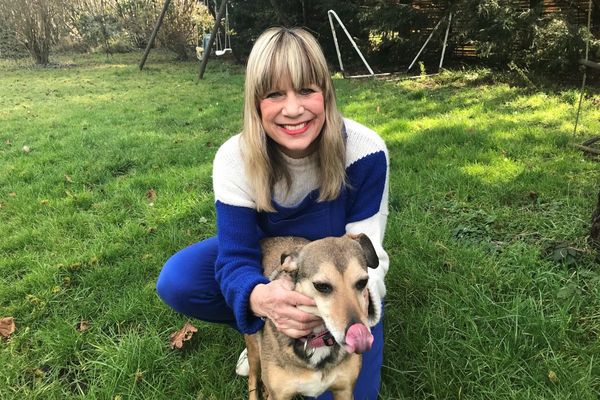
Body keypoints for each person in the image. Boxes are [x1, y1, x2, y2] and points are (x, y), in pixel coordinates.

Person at [156, 26, 389, 399]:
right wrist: (264, 302)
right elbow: (235, 258)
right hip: (267, 262)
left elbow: (371, 259)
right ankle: (261, 336)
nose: (293, 109)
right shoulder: (235, 158)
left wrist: (353, 308)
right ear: (255, 102)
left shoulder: (365, 150)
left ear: (326, 95)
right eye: (275, 94)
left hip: (339, 282)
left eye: (307, 90)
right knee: (179, 280)